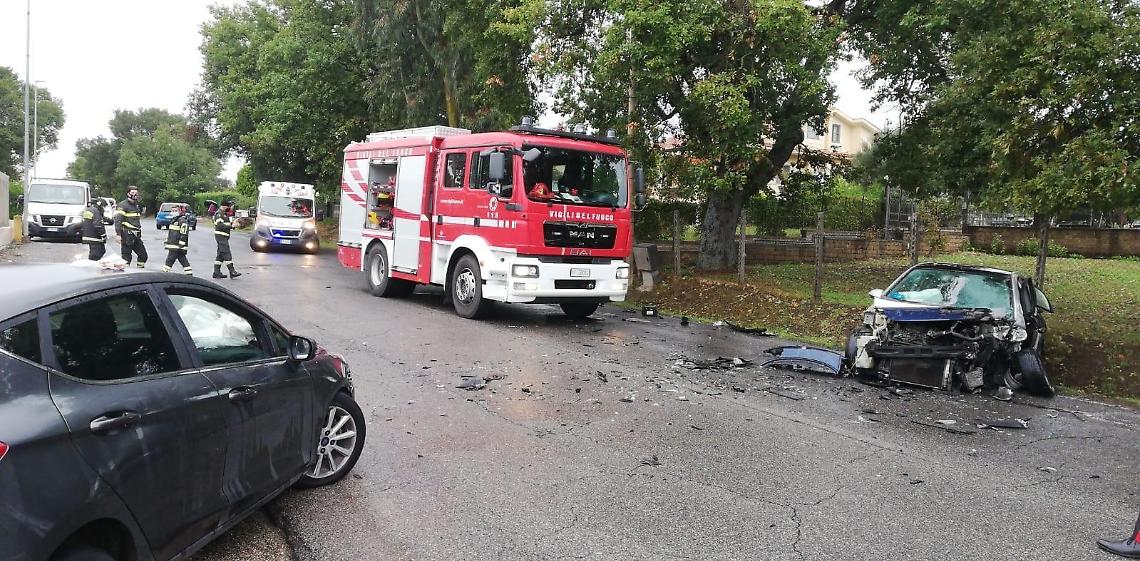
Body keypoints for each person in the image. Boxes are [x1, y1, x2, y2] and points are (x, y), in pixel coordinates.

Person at [114, 186, 148, 268]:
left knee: (143, 256)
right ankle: (126, 275)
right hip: (127, 235)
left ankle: (140, 271)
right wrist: (118, 234)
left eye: (136, 193)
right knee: (126, 258)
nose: (135, 194)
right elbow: (118, 220)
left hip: (136, 235)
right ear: (128, 193)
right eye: (132, 193)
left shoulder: (136, 205)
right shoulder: (122, 205)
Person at [212, 200, 242, 279]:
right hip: (221, 237)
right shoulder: (219, 214)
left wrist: (233, 224)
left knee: (220, 255)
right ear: (224, 206)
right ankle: (232, 271)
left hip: (224, 237)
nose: (229, 208)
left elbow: (226, 225)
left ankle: (216, 272)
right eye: (228, 206)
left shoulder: (224, 214)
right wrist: (231, 226)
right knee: (226, 253)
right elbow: (219, 226)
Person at [162, 211, 192, 275]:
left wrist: (182, 242)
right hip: (174, 244)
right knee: (182, 259)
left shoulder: (182, 221)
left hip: (177, 245)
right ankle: (189, 273)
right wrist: (167, 240)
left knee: (170, 259)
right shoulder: (174, 221)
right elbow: (172, 233)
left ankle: (164, 273)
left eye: (175, 210)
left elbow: (184, 232)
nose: (172, 212)